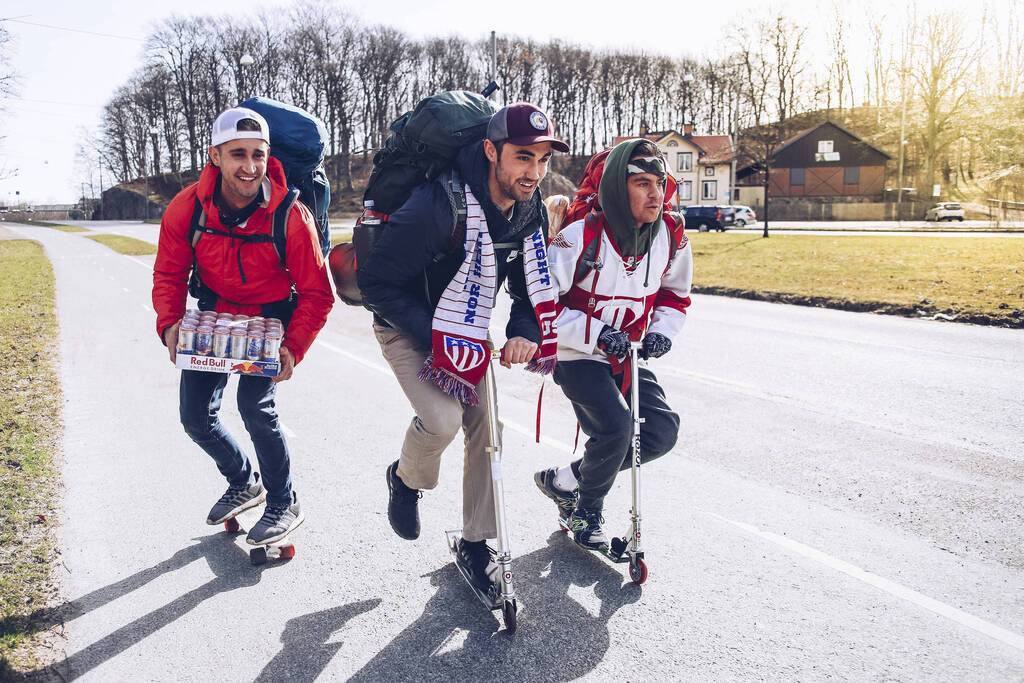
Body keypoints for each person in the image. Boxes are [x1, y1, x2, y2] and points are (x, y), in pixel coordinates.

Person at [357, 102, 565, 593]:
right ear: (491, 151)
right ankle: (406, 480)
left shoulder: (529, 208)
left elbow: (527, 287)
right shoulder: (439, 205)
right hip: (406, 325)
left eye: (542, 159)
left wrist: (526, 331)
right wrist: (436, 337)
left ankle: (477, 542)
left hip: (466, 332)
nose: (533, 172)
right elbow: (377, 282)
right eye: (522, 157)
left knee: (488, 433)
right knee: (444, 420)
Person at [152, 106, 333, 545]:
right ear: (215, 155)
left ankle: (282, 501)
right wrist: (170, 323)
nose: (249, 167)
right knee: (195, 417)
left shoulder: (290, 214)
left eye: (257, 154)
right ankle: (242, 480)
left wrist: (294, 346)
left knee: (256, 407)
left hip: (271, 319)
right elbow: (169, 273)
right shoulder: (187, 207)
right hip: (214, 317)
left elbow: (317, 292)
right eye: (237, 154)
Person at [533, 138, 692, 549]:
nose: (656, 192)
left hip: (626, 353)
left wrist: (662, 331)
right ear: (617, 191)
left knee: (660, 431)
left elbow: (675, 296)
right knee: (616, 428)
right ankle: (587, 512)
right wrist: (597, 333)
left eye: (659, 181)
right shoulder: (579, 235)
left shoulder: (670, 235)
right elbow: (543, 305)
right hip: (576, 353)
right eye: (641, 183)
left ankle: (565, 481)